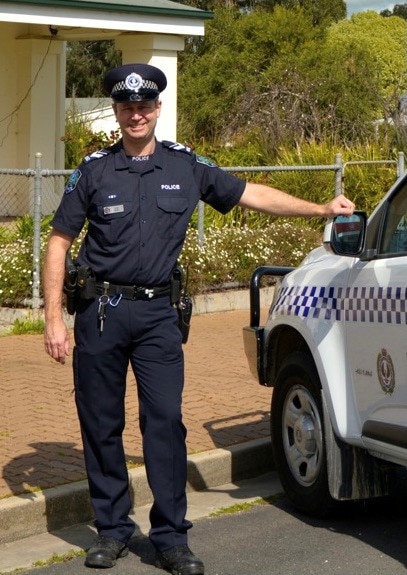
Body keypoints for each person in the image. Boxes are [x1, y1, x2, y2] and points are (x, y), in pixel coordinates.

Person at [43, 62, 355, 575]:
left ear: (157, 110)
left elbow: (251, 192)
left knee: (164, 424)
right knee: (101, 425)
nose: (136, 114)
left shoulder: (185, 166)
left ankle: (170, 538)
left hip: (157, 317)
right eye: (127, 107)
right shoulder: (94, 170)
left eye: (144, 106)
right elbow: (59, 241)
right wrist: (53, 318)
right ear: (117, 113)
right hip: (99, 315)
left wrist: (320, 209)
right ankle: (114, 530)